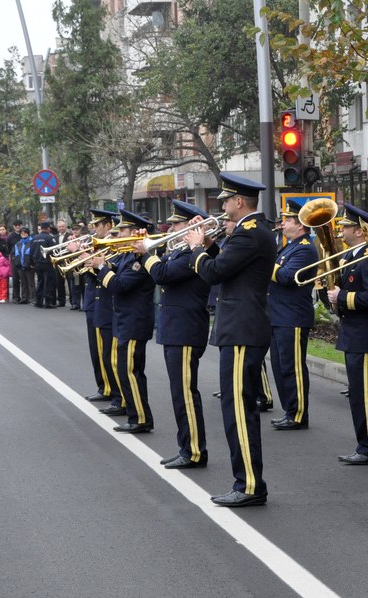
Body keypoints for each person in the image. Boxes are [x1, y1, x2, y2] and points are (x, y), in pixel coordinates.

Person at [183, 173, 276, 508]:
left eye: (225, 201)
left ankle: (249, 484)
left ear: (239, 202)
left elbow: (213, 273)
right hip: (242, 329)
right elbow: (228, 264)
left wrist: (196, 248)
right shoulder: (252, 231)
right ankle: (248, 482)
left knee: (238, 410)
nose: (222, 207)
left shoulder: (249, 234)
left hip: (241, 331)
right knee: (238, 408)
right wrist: (209, 245)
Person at [133, 200, 218, 468]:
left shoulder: (192, 255)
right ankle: (187, 447)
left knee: (185, 394)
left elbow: (162, 274)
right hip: (177, 329)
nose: (171, 229)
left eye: (177, 224)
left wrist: (146, 253)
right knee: (179, 393)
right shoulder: (180, 252)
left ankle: (194, 451)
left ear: (193, 228)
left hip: (185, 330)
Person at [327, 204, 368, 463]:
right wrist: (329, 291)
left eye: (346, 226)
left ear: (360, 231)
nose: (341, 230)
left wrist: (342, 296)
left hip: (365, 336)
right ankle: (364, 445)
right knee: (356, 395)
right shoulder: (351, 258)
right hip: (353, 335)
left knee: (363, 395)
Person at [89, 210, 157, 433]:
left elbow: (120, 285)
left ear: (135, 232)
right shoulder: (129, 255)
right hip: (125, 320)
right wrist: (101, 264)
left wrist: (101, 267)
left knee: (130, 372)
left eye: (123, 231)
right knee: (125, 370)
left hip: (134, 321)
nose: (118, 235)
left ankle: (140, 418)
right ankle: (135, 415)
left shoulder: (138, 259)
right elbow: (117, 275)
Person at [267, 199, 319, 431]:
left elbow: (287, 277)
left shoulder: (305, 248)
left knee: (293, 367)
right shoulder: (289, 246)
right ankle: (290, 410)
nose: (282, 224)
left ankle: (298, 414)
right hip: (279, 315)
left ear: (300, 225)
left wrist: (265, 260)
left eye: (287, 220)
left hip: (293, 316)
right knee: (280, 367)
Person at [82, 210, 122, 409]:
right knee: (96, 351)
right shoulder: (98, 245)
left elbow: (110, 274)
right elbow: (89, 275)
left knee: (108, 354)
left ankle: (114, 392)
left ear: (108, 225)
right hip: (94, 302)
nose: (94, 229)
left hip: (107, 304)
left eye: (97, 225)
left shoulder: (113, 247)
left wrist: (92, 262)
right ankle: (104, 387)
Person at [30, 221, 56, 308]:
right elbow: (53, 250)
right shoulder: (50, 238)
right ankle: (48, 302)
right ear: (48, 228)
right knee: (48, 282)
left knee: (40, 282)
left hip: (37, 263)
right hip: (47, 263)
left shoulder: (34, 238)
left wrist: (32, 262)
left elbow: (31, 251)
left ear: (41, 228)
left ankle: (39, 301)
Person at [13, 227, 35, 304]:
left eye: (25, 233)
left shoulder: (32, 242)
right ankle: (24, 298)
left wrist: (32, 264)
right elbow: (15, 254)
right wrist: (17, 263)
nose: (23, 234)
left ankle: (33, 298)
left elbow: (33, 254)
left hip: (29, 266)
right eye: (22, 233)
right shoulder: (18, 243)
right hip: (20, 266)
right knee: (23, 283)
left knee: (31, 283)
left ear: (28, 233)